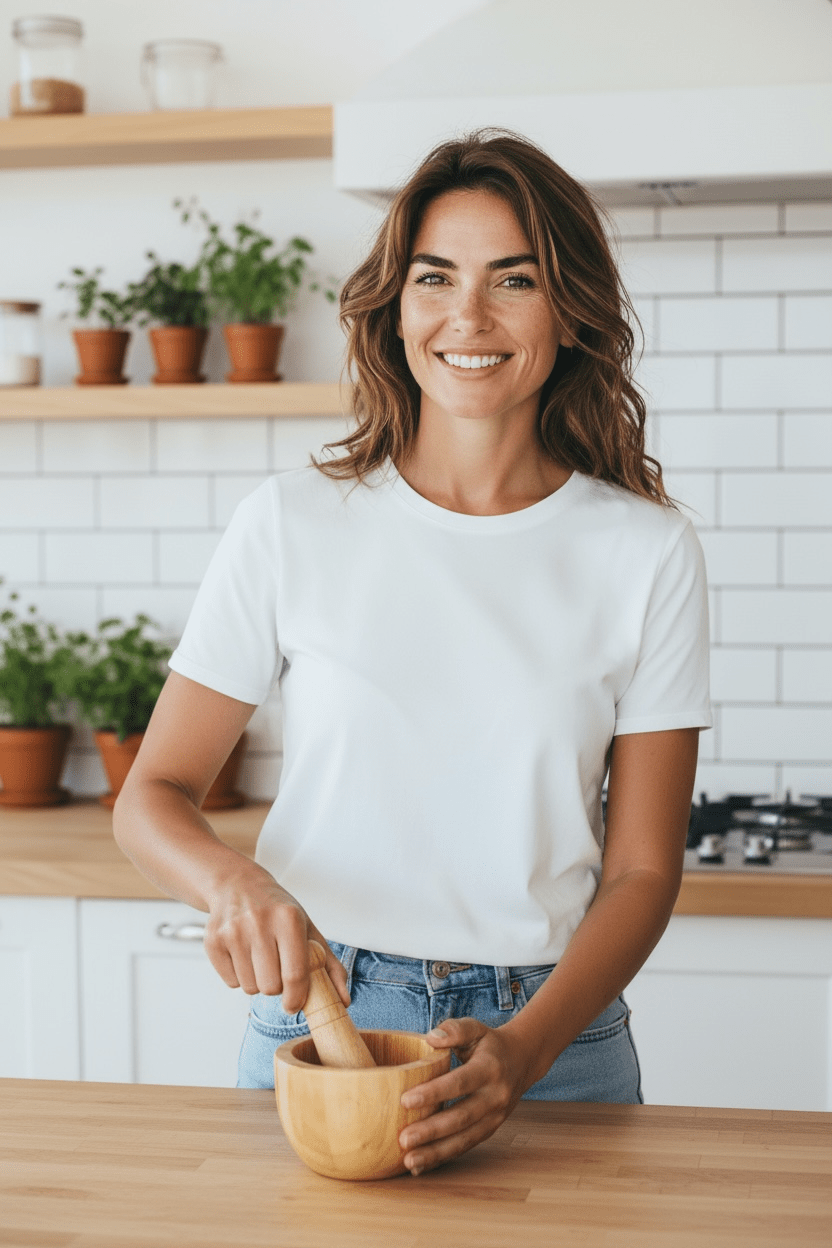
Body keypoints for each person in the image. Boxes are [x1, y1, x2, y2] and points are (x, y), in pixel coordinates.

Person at [114, 130, 711, 1177]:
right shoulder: (293, 522)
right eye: (434, 278)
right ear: (395, 305)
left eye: (512, 280)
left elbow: (644, 871)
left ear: (568, 310)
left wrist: (522, 1053)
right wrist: (231, 884)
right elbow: (153, 792)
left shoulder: (646, 551)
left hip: (555, 1041)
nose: (467, 318)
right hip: (322, 1024)